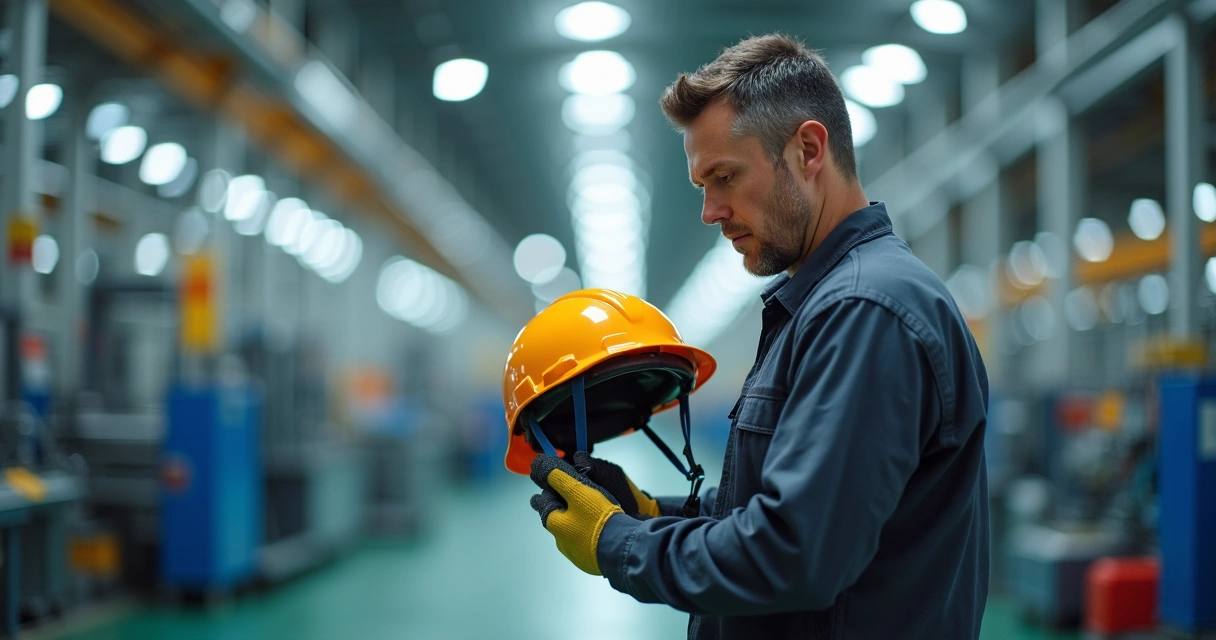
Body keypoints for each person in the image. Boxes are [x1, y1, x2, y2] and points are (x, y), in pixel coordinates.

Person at [527, 33, 990, 640]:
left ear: (807, 150)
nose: (710, 211)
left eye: (725, 177)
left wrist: (619, 544)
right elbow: (786, 501)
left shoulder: (862, 310)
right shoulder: (826, 303)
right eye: (702, 186)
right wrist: (649, 512)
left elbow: (794, 552)